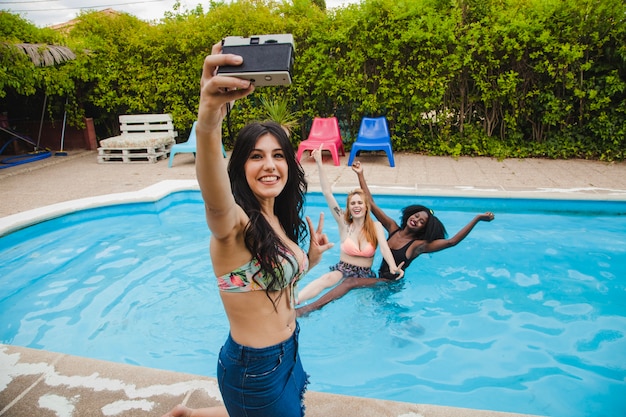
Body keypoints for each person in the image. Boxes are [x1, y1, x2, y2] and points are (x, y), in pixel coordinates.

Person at [162, 42, 332, 417]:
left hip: (289, 352)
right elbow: (214, 195)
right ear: (239, 167)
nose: (269, 165)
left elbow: (275, 282)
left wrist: (311, 260)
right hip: (255, 368)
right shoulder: (233, 224)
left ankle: (187, 415)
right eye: (256, 156)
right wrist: (208, 121)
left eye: (278, 155)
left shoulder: (276, 220)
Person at [296, 160, 495, 316]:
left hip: (390, 282)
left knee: (351, 285)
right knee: (356, 292)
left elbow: (452, 242)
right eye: (416, 215)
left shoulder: (418, 245)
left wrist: (476, 219)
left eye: (422, 221)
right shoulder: (392, 228)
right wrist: (361, 175)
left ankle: (309, 309)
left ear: (424, 228)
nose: (416, 220)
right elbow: (370, 204)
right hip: (377, 277)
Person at [296, 147, 404, 305]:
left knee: (365, 309)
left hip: (365, 275)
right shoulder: (344, 222)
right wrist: (319, 162)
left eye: (360, 202)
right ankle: (295, 302)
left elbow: (384, 248)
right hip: (343, 270)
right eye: (352, 203)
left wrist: (393, 267)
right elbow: (327, 193)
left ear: (366, 206)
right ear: (349, 207)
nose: (356, 206)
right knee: (325, 279)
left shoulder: (376, 226)